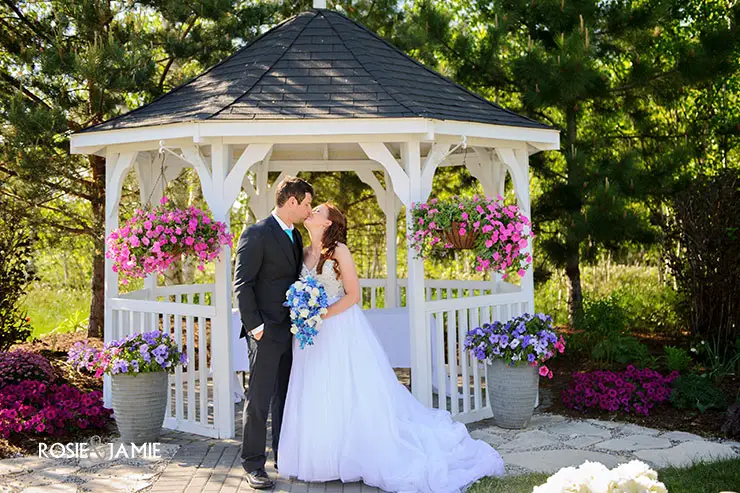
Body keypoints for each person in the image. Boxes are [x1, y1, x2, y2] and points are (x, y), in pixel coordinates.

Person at [278, 203, 505, 493]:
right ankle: (324, 456)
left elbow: (353, 295)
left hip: (339, 329)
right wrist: (305, 313)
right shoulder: (303, 251)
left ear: (328, 223)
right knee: (316, 389)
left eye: (318, 210)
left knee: (349, 390)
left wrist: (321, 314)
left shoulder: (339, 251)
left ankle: (356, 455)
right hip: (311, 336)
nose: (312, 211)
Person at [233, 176, 313, 489]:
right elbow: (242, 285)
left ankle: (283, 455)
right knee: (259, 399)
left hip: (289, 329)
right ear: (291, 201)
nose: (308, 209)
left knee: (284, 396)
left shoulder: (294, 236)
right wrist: (257, 328)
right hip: (265, 331)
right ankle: (253, 464)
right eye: (306, 203)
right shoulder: (256, 233)